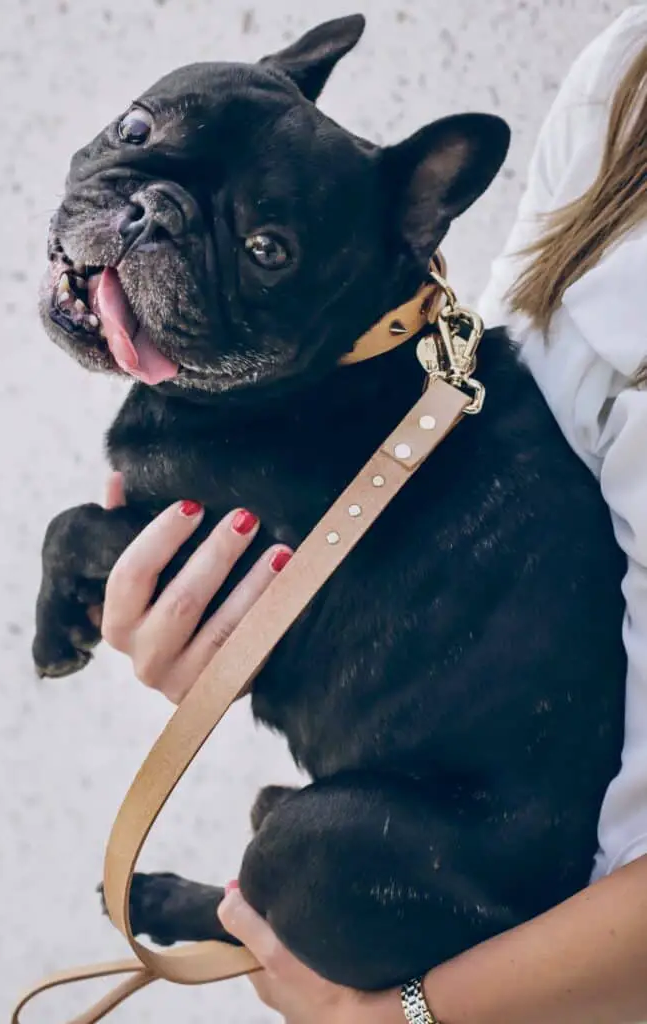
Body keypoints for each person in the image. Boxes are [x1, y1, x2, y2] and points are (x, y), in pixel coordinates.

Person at [98, 8, 647, 1022]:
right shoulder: (626, 76)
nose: (152, 218)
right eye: (137, 141)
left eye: (260, 244)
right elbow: (468, 404)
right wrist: (244, 628)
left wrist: (399, 1014)